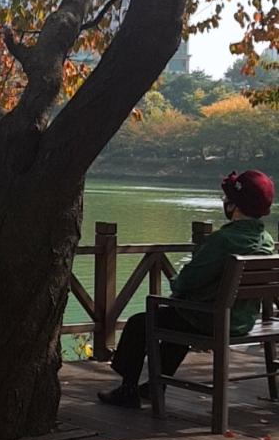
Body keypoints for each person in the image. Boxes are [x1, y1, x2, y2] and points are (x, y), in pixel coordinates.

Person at [98, 169, 275, 409]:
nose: (224, 203)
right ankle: (155, 386)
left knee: (140, 323)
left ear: (235, 206)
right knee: (177, 317)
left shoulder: (222, 240)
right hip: (242, 320)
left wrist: (176, 285)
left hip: (211, 321)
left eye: (227, 200)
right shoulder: (266, 239)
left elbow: (189, 280)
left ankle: (128, 390)